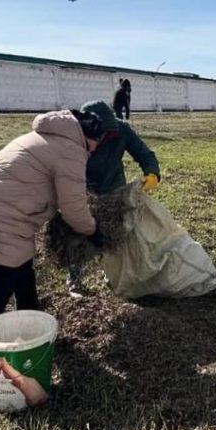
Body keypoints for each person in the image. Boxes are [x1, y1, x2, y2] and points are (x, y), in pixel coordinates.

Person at [0, 108, 99, 388]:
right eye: (94, 143)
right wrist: (94, 232)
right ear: (87, 136)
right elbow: (74, 208)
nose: (94, 150)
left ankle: (34, 333)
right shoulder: (71, 150)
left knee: (23, 277)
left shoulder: (45, 136)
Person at [64, 100, 155, 296]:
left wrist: (152, 173)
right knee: (79, 233)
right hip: (85, 190)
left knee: (114, 233)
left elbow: (144, 153)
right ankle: (75, 278)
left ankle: (113, 272)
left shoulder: (121, 130)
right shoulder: (75, 135)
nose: (101, 137)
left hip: (115, 187)